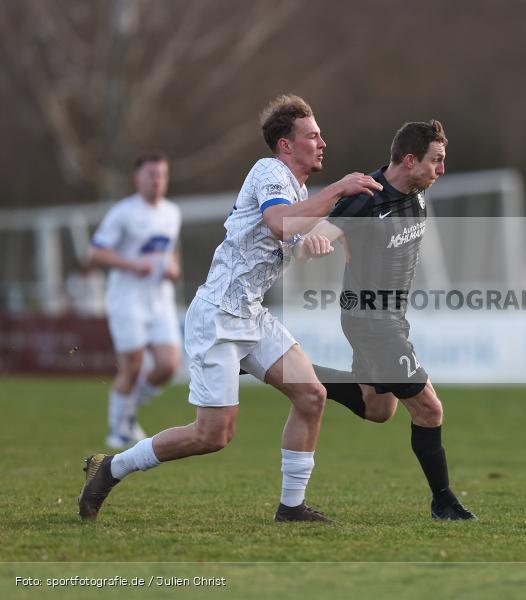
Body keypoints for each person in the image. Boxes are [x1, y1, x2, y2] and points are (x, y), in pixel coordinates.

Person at [78, 94, 382, 522]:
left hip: (252, 316)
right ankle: (110, 468)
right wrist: (338, 191)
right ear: (285, 145)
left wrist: (312, 245)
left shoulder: (297, 190)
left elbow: (289, 241)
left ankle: (291, 507)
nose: (322, 142)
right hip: (218, 315)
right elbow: (279, 223)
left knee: (312, 395)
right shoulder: (268, 171)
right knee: (212, 435)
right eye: (312, 136)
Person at [299, 120, 477, 520]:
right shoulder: (365, 199)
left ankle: (282, 369)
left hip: (390, 317)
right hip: (371, 320)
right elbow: (318, 237)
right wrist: (313, 243)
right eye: (437, 161)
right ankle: (443, 501)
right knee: (429, 410)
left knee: (378, 410)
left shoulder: (417, 189)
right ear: (410, 160)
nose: (441, 171)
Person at [87, 152, 182, 449]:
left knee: (168, 365)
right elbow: (96, 252)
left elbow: (171, 251)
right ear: (137, 178)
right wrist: (133, 265)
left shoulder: (172, 212)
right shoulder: (123, 213)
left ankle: (128, 412)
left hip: (160, 300)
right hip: (127, 299)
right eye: (151, 174)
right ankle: (117, 429)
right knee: (133, 364)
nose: (157, 181)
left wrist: (174, 268)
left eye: (162, 175)